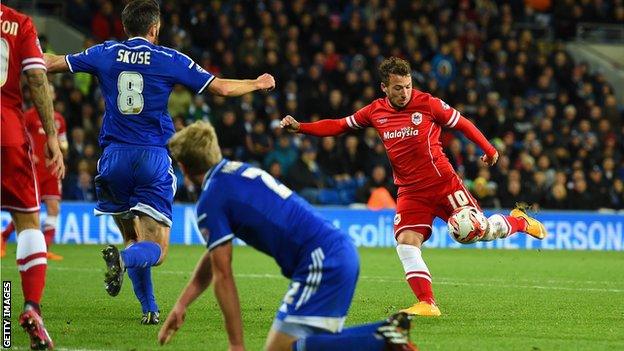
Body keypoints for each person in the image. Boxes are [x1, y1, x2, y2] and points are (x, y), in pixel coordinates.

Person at [44, 0, 275, 324]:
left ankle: (149, 308)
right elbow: (220, 88)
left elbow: (50, 62)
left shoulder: (104, 52)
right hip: (152, 157)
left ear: (126, 27)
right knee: (158, 249)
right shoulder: (168, 58)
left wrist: (17, 59)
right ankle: (124, 261)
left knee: (133, 236)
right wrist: (257, 83)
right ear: (155, 28)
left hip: (112, 161)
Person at [280, 57, 548, 317]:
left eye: (408, 86)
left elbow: (462, 123)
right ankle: (427, 302)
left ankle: (520, 223)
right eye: (398, 88)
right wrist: (300, 127)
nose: (404, 92)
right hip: (410, 191)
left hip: (443, 183)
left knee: (476, 232)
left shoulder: (428, 103)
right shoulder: (375, 111)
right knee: (406, 242)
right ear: (384, 87)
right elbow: (339, 125)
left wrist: (489, 150)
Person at [158, 121, 417, 351]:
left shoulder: (211, 198)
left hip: (320, 261)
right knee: (316, 343)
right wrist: (182, 304)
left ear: (184, 166)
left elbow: (222, 273)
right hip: (337, 251)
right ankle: (383, 333)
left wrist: (236, 344)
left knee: (281, 348)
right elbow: (215, 259)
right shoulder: (235, 171)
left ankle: (380, 340)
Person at [0, 5, 65, 349]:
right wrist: (52, 135)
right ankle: (30, 307)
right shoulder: (20, 24)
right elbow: (38, 77)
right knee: (28, 223)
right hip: (8, 133)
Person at [1, 83, 68, 260]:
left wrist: (62, 151)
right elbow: (19, 136)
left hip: (51, 169)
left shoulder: (59, 119)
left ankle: (44, 248)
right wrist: (29, 154)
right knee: (32, 211)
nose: (48, 94)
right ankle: (4, 236)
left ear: (53, 96)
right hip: (34, 169)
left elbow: (63, 142)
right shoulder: (29, 116)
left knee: (54, 208)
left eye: (51, 91)